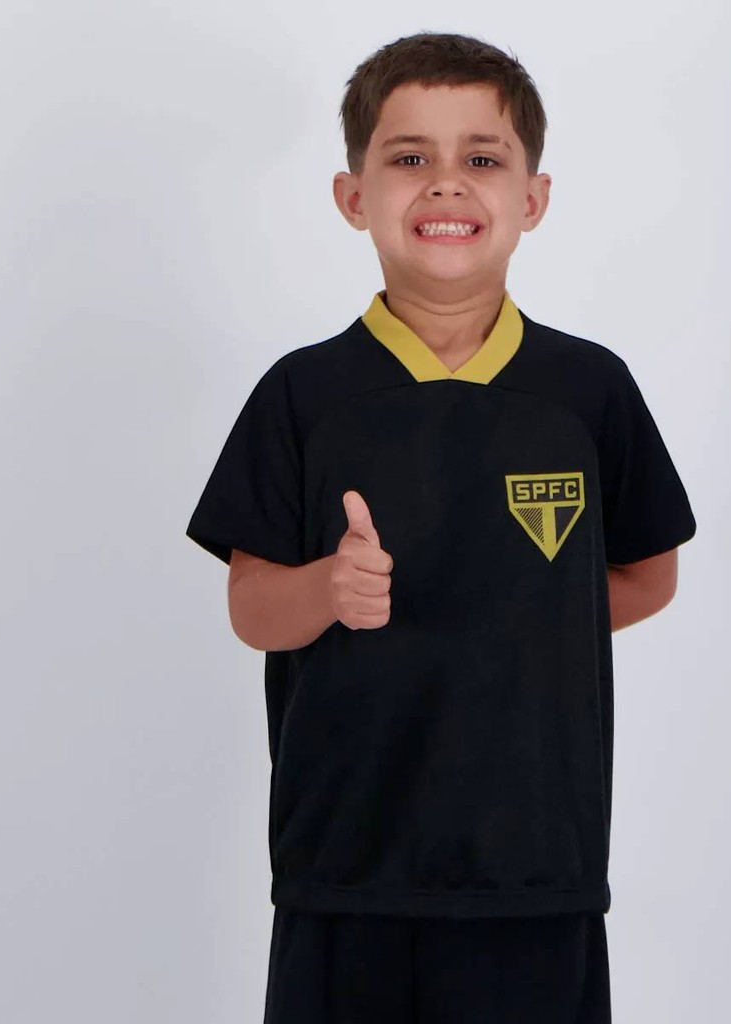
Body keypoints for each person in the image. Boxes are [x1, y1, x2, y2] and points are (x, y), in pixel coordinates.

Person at [186, 30, 696, 1024]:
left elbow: (647, 574)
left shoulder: (588, 391)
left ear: (533, 199)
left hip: (535, 874)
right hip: (345, 870)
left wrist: (522, 611)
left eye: (482, 158)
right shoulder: (302, 396)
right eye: (410, 156)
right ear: (353, 196)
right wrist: (327, 588)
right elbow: (251, 606)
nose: (446, 183)